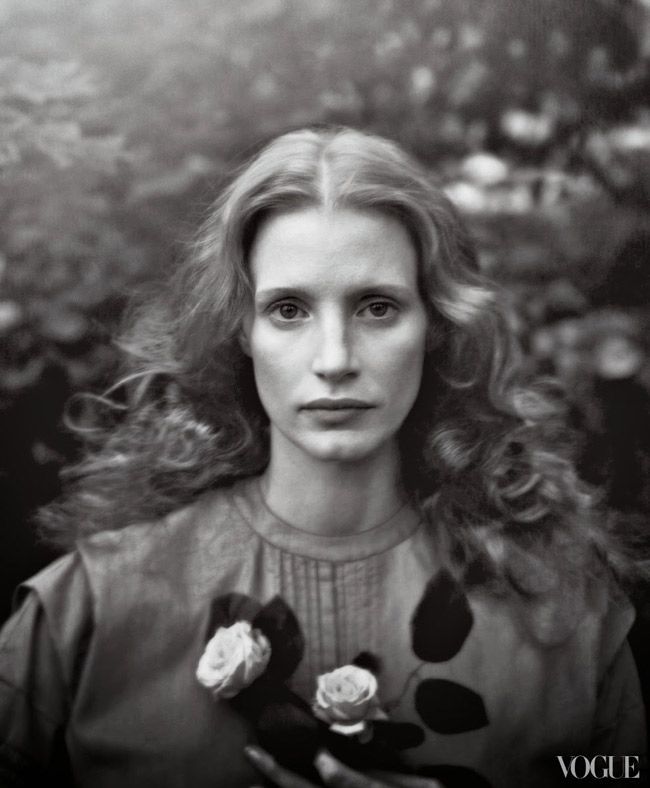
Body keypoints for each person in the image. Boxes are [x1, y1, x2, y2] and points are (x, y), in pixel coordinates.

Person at [0, 127, 646, 788]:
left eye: (377, 307)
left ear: (437, 326)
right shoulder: (85, 616)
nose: (334, 359)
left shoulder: (563, 614)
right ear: (239, 330)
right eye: (288, 310)